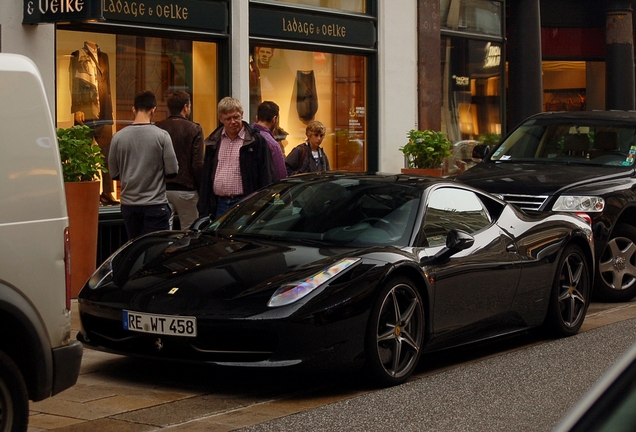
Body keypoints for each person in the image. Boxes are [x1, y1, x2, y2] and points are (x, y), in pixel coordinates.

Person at [109, 91, 179, 240]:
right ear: (153, 109)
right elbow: (173, 170)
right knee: (156, 249)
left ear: (134, 109)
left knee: (134, 248)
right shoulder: (162, 136)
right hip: (155, 203)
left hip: (129, 204)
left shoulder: (118, 137)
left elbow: (114, 173)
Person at [197, 97, 274, 219]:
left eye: (236, 117)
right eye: (228, 118)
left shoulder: (256, 141)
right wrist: (204, 207)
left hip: (246, 203)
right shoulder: (214, 142)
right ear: (220, 118)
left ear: (242, 115)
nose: (233, 121)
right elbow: (206, 176)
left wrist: (263, 205)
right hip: (219, 204)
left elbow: (266, 174)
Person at [69, 41, 118, 205]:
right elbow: (73, 83)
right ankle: (86, 191)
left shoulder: (104, 57)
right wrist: (77, 108)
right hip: (86, 110)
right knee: (84, 154)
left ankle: (107, 192)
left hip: (102, 110)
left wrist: (109, 111)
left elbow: (107, 84)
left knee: (107, 154)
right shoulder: (77, 55)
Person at [155, 90, 205, 230]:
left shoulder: (158, 127)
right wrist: (201, 190)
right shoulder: (194, 129)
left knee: (164, 232)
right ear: (185, 107)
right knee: (190, 232)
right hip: (186, 189)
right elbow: (197, 164)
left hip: (162, 188)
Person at [252, 101, 287, 182]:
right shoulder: (272, 144)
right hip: (264, 191)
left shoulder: (244, 136)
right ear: (274, 119)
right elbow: (280, 177)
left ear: (257, 117)